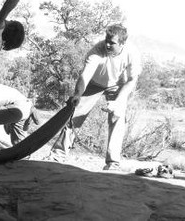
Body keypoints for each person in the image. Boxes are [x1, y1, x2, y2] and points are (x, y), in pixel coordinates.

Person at [47, 24, 142, 170]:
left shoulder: (132, 53)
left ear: (122, 43)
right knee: (76, 113)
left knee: (118, 116)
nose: (108, 44)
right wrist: (77, 94)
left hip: (118, 85)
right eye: (106, 40)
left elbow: (131, 80)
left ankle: (113, 163)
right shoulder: (97, 50)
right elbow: (85, 75)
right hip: (95, 83)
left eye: (112, 43)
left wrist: (117, 101)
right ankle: (58, 155)